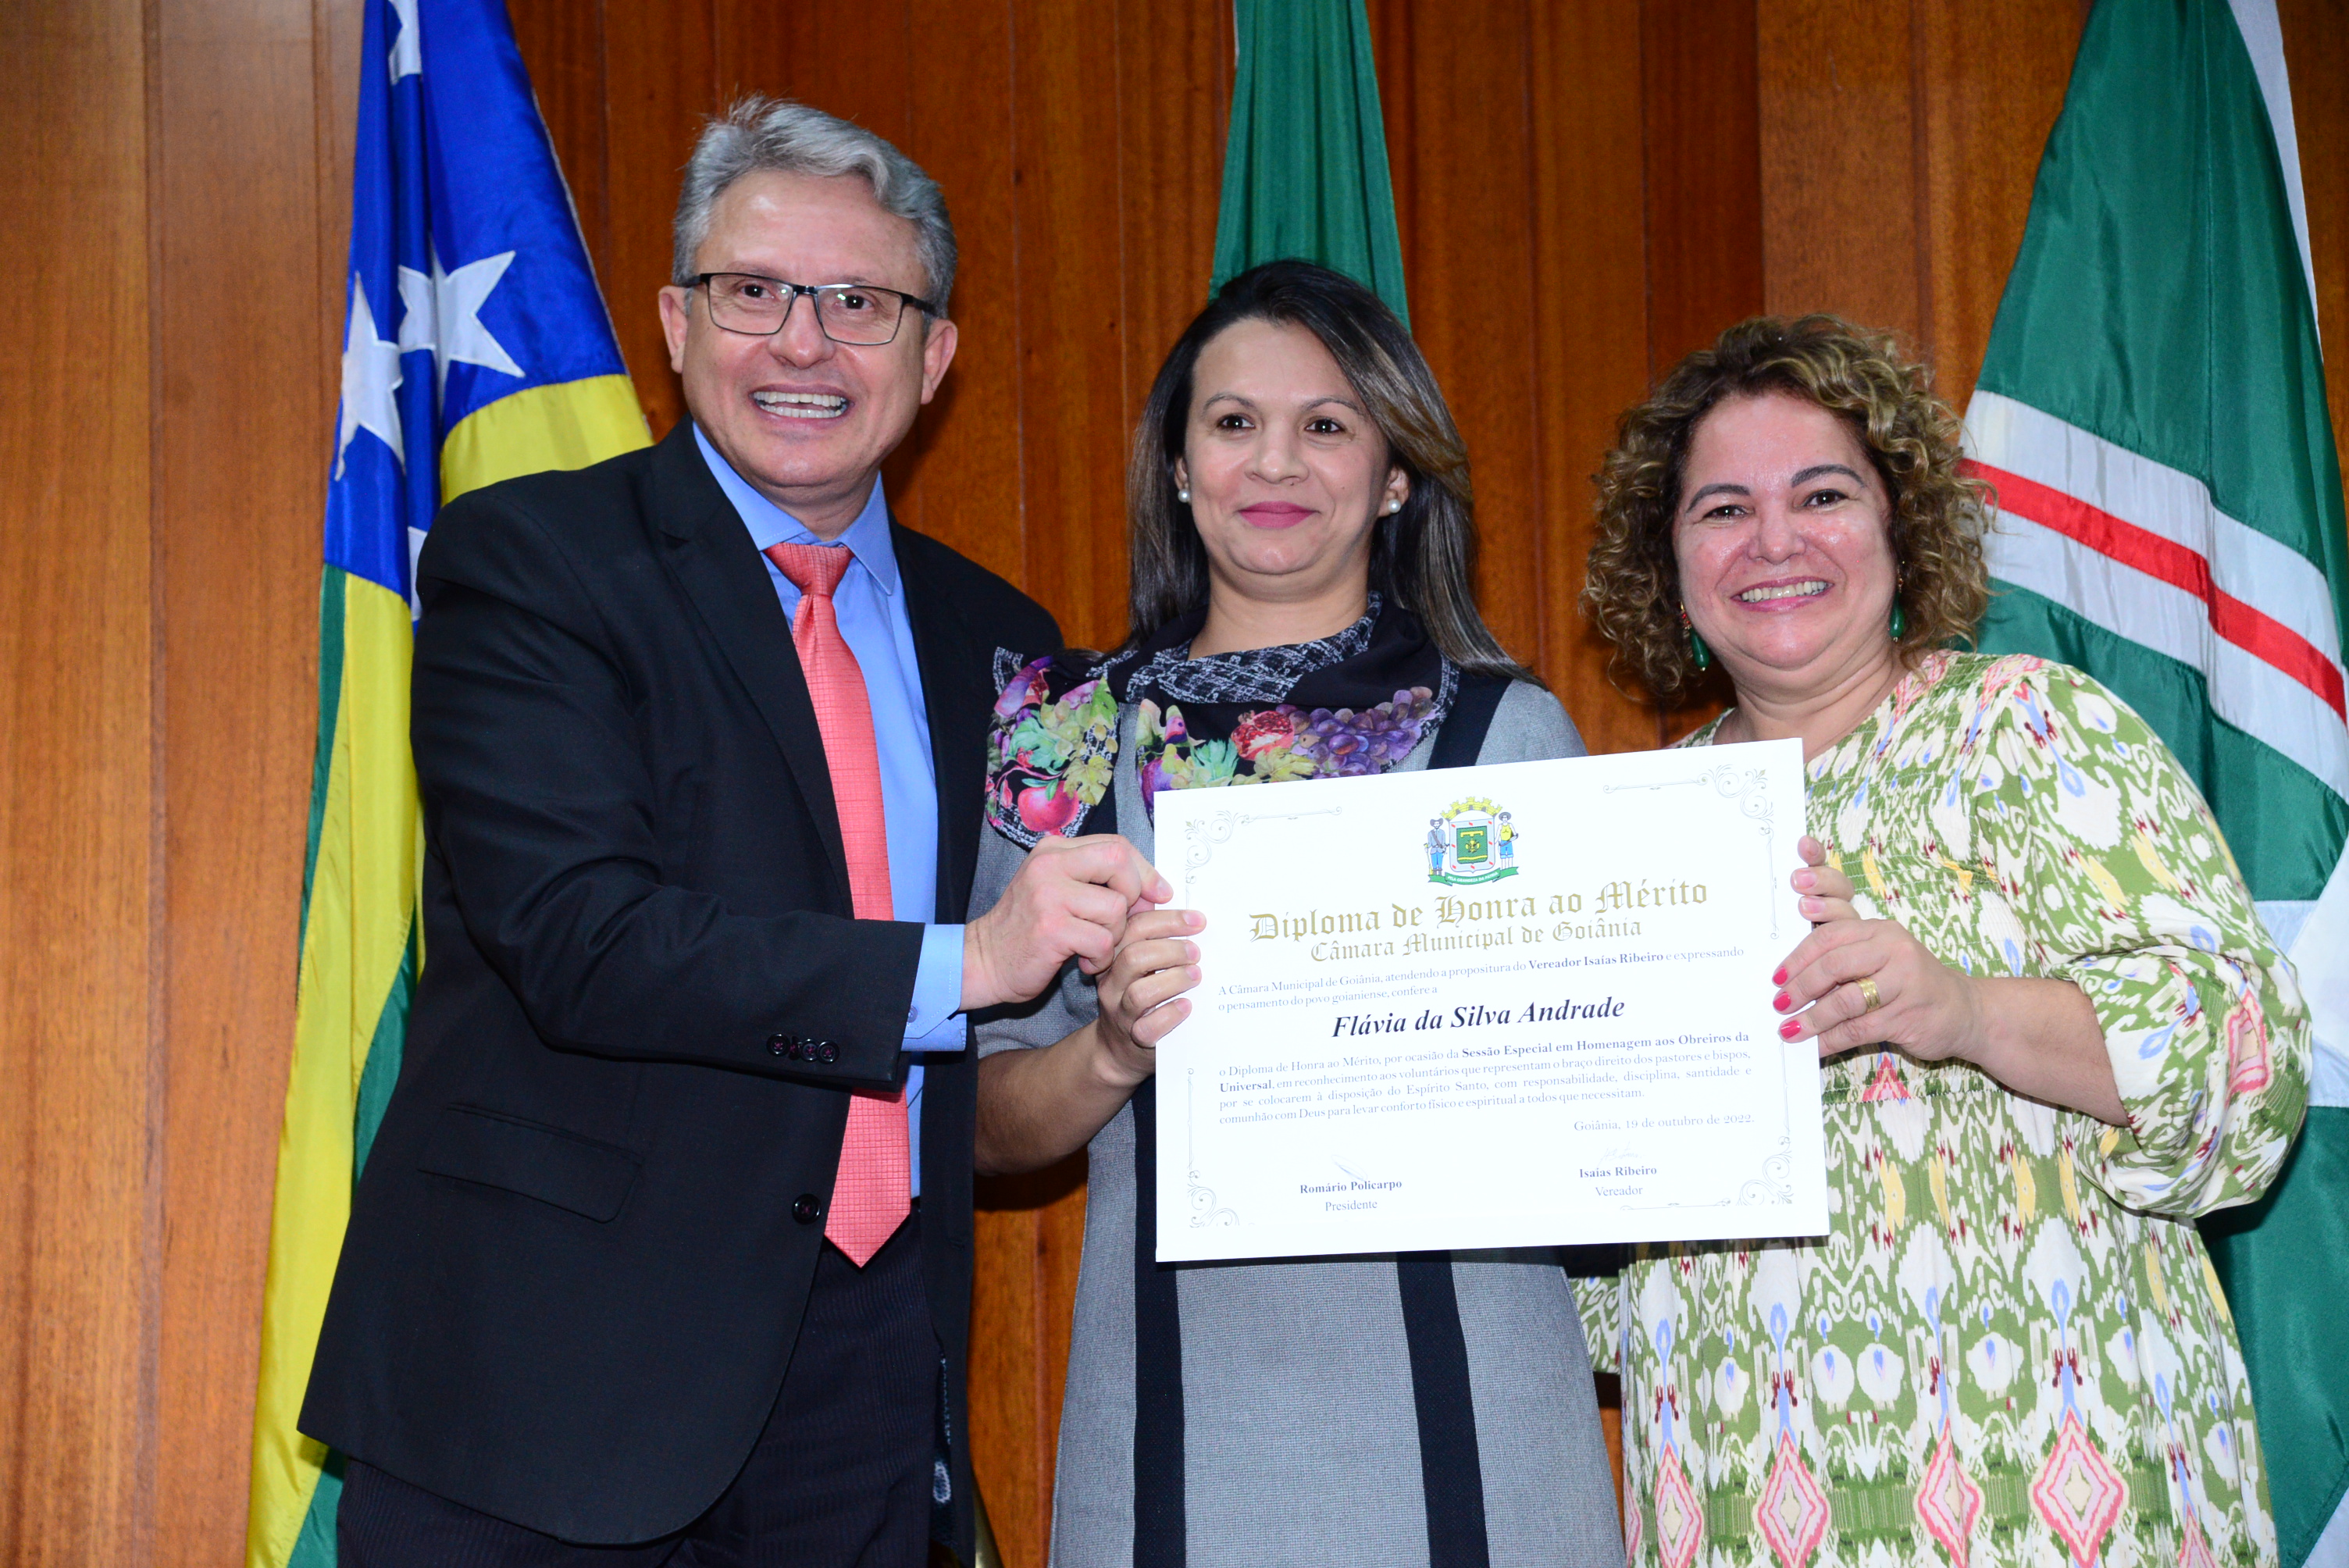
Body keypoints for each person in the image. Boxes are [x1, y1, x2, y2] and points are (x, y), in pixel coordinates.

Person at [300, 98, 1164, 1566]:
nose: (804, 343)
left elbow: (1012, 1051)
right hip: (550, 1390)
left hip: (869, 1389)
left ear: (935, 356)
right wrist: (969, 962)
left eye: (861, 303)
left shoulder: (1003, 641)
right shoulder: (531, 561)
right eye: (754, 291)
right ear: (677, 325)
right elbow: (582, 938)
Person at [1577, 315, 2310, 1568]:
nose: (1774, 540)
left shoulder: (2032, 728)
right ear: (1669, 564)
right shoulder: (1624, 829)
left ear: (1902, 528)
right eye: (1723, 509)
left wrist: (1965, 1011)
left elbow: (2248, 1057)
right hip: (1734, 1480)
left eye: (1823, 495)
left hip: (2058, 1479)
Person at [972, 260, 1624, 1568]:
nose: (1276, 461)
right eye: (1234, 422)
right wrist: (1113, 1051)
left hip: (1471, 1422)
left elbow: (1596, 1093)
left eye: (1326, 424)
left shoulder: (1507, 734)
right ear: (1178, 465)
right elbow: (984, 1124)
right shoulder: (1062, 735)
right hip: (1165, 1423)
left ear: (1394, 477)